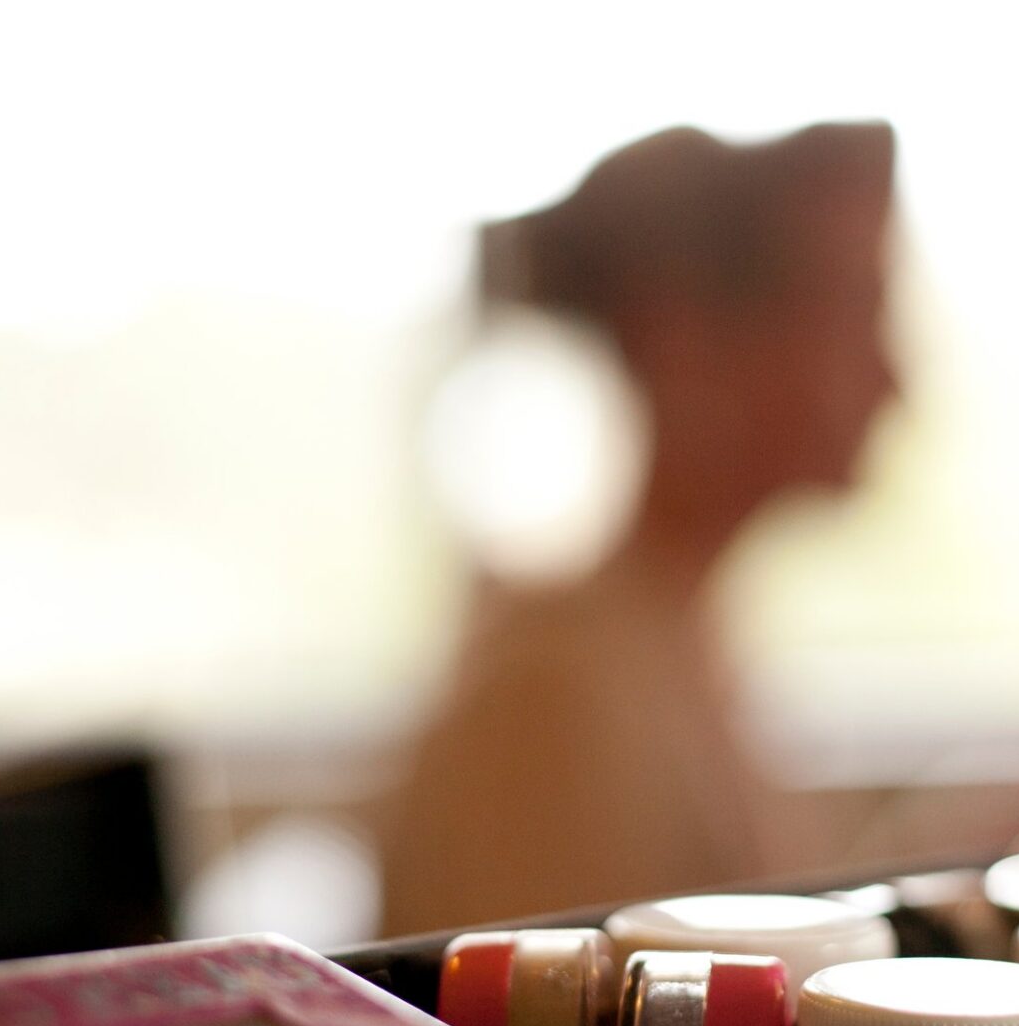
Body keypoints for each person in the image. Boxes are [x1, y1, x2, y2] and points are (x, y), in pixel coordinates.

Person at [377, 122, 899, 933]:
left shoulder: (676, 636)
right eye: (854, 310)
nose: (893, 381)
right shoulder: (556, 700)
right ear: (680, 335)